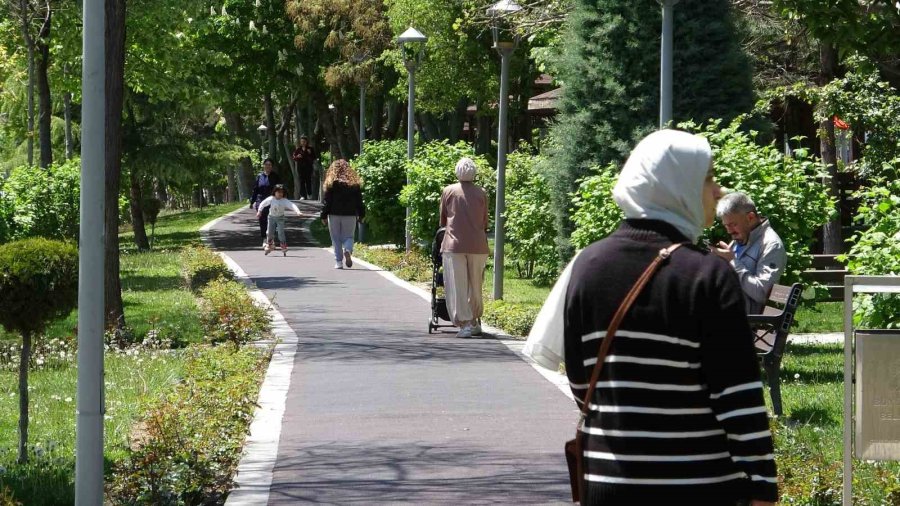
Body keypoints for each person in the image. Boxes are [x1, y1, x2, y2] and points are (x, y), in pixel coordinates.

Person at [527, 130, 778, 505]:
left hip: (607, 482)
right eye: (708, 177)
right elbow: (737, 396)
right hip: (697, 484)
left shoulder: (586, 266)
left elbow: (582, 385)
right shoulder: (706, 275)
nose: (718, 190)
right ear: (678, 185)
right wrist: (761, 484)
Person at [439, 157, 489, 339]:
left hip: (454, 245)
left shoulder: (448, 191)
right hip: (478, 245)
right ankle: (475, 320)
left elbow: (443, 219)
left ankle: (465, 322)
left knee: (458, 284)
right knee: (476, 284)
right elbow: (485, 221)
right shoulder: (482, 193)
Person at [712, 192, 787, 314]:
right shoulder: (741, 238)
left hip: (743, 317)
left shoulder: (771, 245)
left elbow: (762, 293)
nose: (729, 231)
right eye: (726, 226)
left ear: (750, 218)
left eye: (733, 224)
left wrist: (732, 261)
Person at [320, 159, 365, 270]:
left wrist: (323, 215)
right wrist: (361, 214)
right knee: (349, 236)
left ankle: (339, 262)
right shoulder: (354, 184)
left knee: (336, 238)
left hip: (334, 214)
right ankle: (348, 250)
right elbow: (359, 201)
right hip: (350, 214)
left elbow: (327, 201)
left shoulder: (331, 184)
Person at [257, 184, 302, 255]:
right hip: (271, 217)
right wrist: (259, 211)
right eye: (278, 192)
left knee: (281, 233)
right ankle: (270, 244)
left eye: (282, 192)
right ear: (274, 192)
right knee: (269, 232)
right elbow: (263, 203)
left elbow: (292, 205)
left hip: (280, 218)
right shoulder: (271, 198)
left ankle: (283, 245)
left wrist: (297, 211)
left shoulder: (284, 200)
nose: (280, 194)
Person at [249, 158, 282, 247]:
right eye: (266, 164)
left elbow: (280, 189)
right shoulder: (259, 176)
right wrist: (252, 201)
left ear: (272, 166)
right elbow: (255, 190)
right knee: (262, 219)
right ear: (264, 166)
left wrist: (280, 199)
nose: (268, 166)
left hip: (272, 200)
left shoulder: (276, 176)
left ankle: (271, 239)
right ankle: (264, 238)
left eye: (270, 165)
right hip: (260, 200)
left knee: (272, 219)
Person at [291, 135, 317, 200]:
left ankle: (309, 194)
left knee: (308, 181)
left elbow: (314, 157)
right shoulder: (298, 149)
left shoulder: (310, 148)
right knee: (301, 181)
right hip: (300, 168)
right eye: (302, 141)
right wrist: (297, 156)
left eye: (304, 141)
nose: (303, 143)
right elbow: (294, 157)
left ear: (307, 142)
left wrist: (310, 153)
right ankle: (302, 195)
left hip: (308, 167)